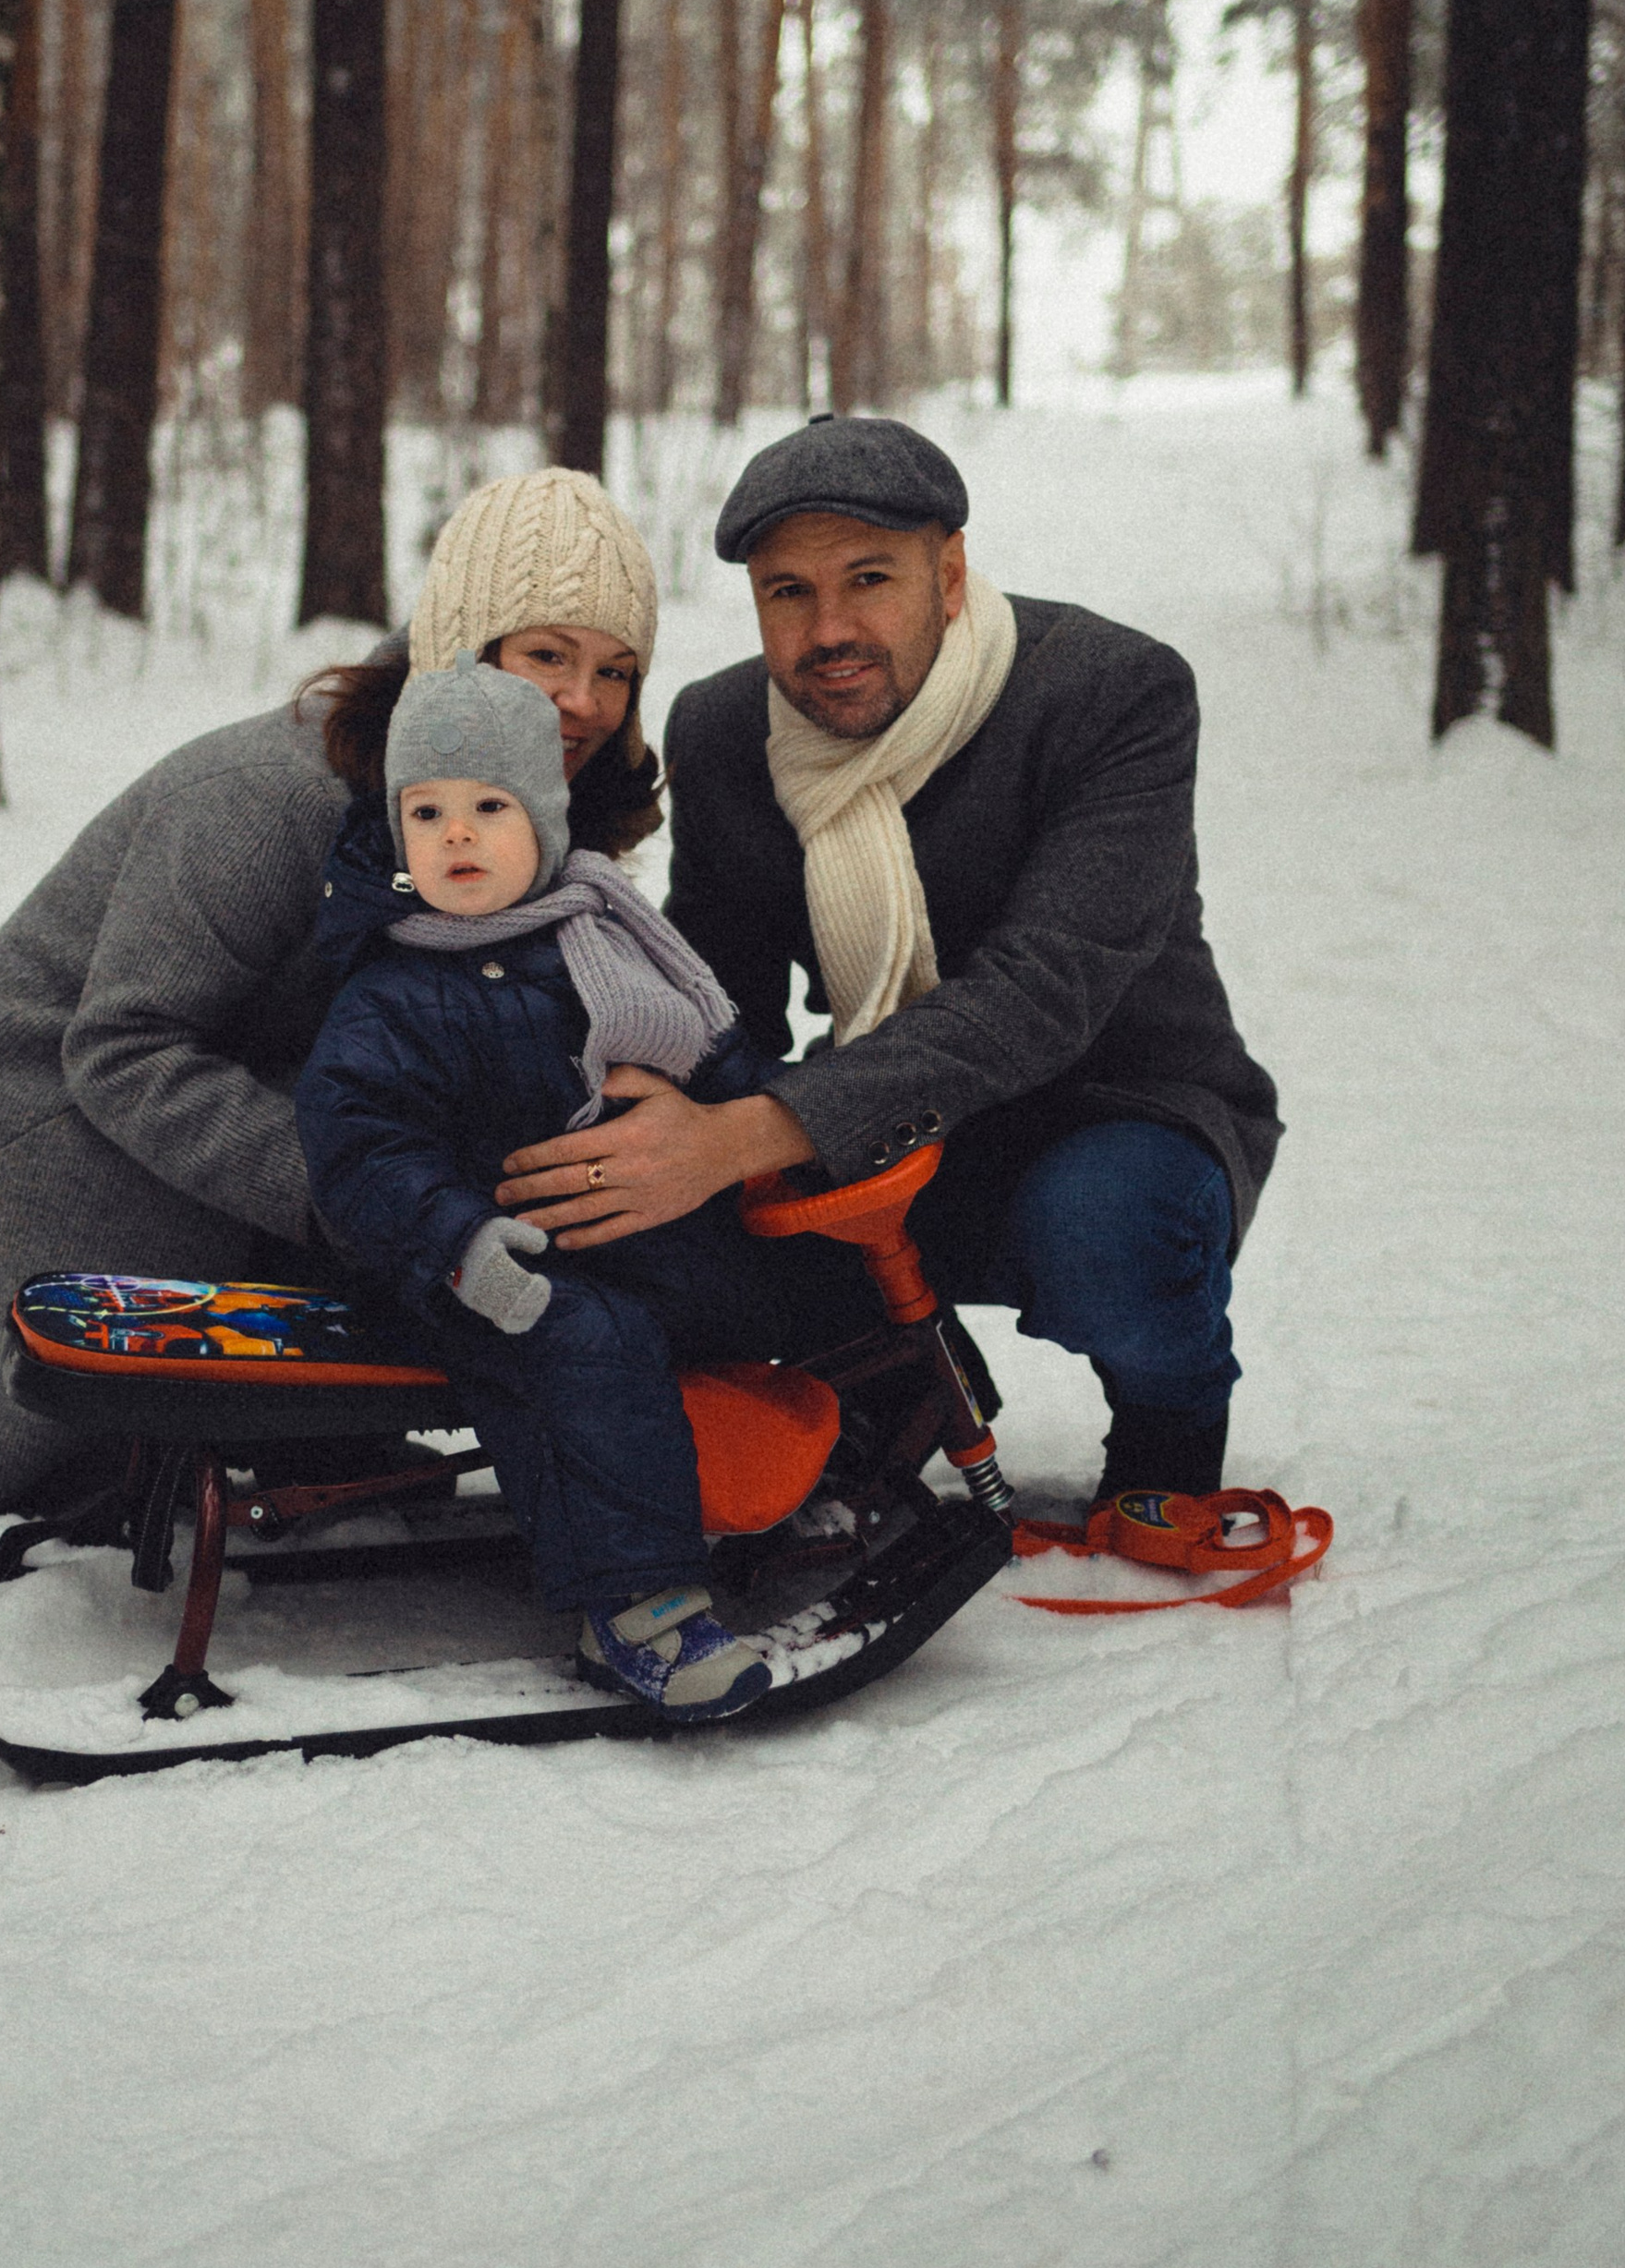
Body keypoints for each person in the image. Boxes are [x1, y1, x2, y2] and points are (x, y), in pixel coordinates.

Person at [0, 468, 661, 1538]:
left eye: (615, 671)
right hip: (56, 1128)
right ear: (461, 641)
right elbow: (123, 1048)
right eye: (548, 655)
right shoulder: (273, 793)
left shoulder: (534, 794)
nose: (584, 700)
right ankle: (128, 1446)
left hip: (261, 1094)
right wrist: (364, 1192)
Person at [494, 413, 1282, 1510]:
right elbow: (719, 997)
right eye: (788, 592)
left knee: (1100, 1231)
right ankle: (892, 1391)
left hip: (1114, 1106)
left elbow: (1042, 991)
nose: (830, 631)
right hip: (878, 1116)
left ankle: (1170, 1419)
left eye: (869, 579)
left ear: (947, 576)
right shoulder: (725, 729)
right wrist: (636, 1119)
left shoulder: (1110, 692)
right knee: (672, 1209)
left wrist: (740, 1136)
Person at [295, 653, 783, 1720]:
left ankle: (854, 1458)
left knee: (787, 1277)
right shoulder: (392, 984)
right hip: (469, 1269)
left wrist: (759, 1128)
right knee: (585, 1339)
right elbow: (359, 1147)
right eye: (426, 813)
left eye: (489, 807)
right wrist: (459, 1242)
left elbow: (717, 1059)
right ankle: (638, 1612)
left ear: (547, 821)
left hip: (619, 1228)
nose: (456, 836)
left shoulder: (605, 940)